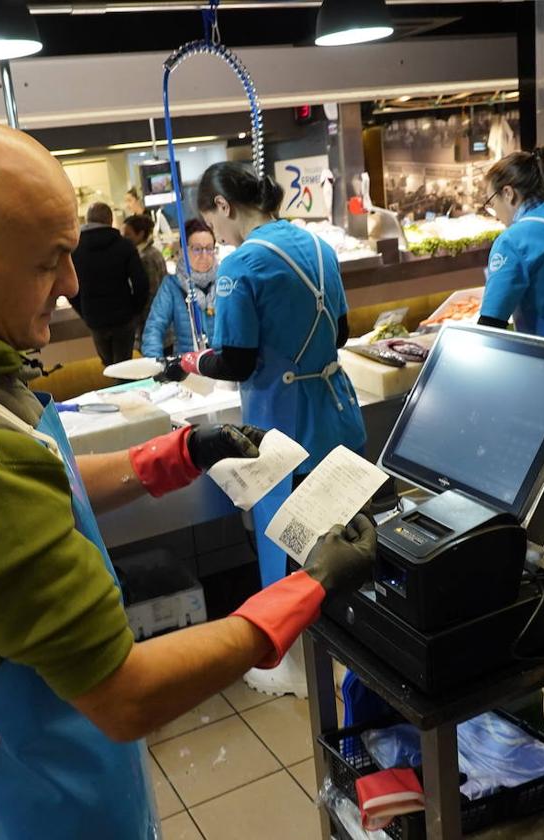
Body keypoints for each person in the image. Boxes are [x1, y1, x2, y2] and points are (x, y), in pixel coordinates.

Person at [0, 114, 377, 840]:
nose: (70, 284)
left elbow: (39, 479)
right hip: (17, 805)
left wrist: (179, 453)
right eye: (46, 261)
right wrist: (306, 587)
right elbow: (126, 695)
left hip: (56, 766)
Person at [160, 161, 368, 697]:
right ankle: (348, 653)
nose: (217, 234)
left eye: (213, 219)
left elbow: (235, 361)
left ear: (223, 207)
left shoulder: (242, 264)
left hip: (284, 425)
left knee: (288, 542)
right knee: (337, 536)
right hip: (337, 412)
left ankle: (293, 666)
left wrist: (192, 362)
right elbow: (341, 331)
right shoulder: (317, 247)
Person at [478, 146, 544, 338]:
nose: (495, 214)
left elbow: (491, 323)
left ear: (508, 193)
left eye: (491, 203)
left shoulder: (512, 241)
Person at [69, 202, 149, 367]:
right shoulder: (124, 245)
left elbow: (69, 288)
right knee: (124, 366)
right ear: (110, 220)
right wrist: (134, 310)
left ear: (87, 219)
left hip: (95, 318)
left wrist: (84, 311)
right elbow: (141, 283)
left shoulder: (75, 249)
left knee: (109, 366)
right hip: (123, 318)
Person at [140, 219, 217, 358]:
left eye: (210, 248)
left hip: (223, 367)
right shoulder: (171, 285)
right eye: (197, 249)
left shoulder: (225, 281)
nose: (204, 256)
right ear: (183, 251)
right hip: (189, 369)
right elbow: (154, 328)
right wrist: (156, 364)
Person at [122, 214, 168, 344]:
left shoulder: (144, 258)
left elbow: (151, 293)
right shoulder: (154, 252)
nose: (124, 239)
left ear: (140, 234)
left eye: (127, 235)